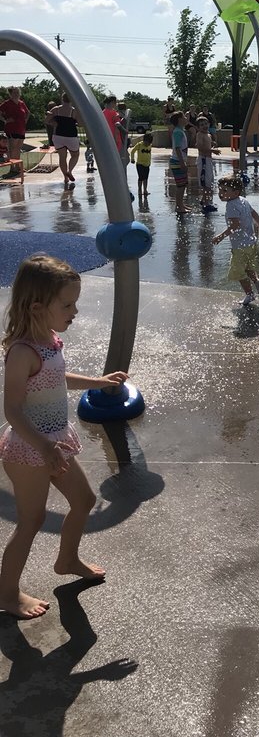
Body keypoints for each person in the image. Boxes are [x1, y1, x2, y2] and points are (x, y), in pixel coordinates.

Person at [0, 254, 128, 619]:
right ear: (38, 307)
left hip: (53, 443)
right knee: (31, 521)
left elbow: (57, 380)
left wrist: (98, 383)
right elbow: (12, 409)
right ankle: (6, 593)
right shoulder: (22, 352)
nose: (75, 311)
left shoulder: (51, 340)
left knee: (85, 500)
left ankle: (67, 559)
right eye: (68, 304)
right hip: (29, 449)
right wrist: (43, 445)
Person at [213, 175, 259, 305]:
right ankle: (257, 281)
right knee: (249, 267)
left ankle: (250, 294)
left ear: (236, 192)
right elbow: (254, 213)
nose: (221, 193)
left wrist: (220, 237)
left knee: (239, 272)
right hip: (251, 243)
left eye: (225, 191)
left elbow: (234, 226)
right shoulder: (243, 200)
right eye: (220, 190)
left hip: (240, 247)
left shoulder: (231, 206)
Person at [47, 93, 80, 190]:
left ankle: (65, 177)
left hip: (58, 136)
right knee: (75, 155)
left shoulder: (55, 109)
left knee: (62, 157)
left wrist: (54, 123)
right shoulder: (74, 111)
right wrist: (76, 122)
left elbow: (46, 120)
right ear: (71, 100)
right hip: (71, 136)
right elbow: (81, 123)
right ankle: (70, 171)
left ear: (62, 99)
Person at [0, 87, 30, 168]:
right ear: (10, 94)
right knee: (12, 149)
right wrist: (5, 120)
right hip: (11, 129)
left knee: (18, 149)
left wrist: (25, 121)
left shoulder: (21, 103)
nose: (16, 94)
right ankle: (12, 168)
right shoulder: (7, 103)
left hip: (21, 129)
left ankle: (17, 167)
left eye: (17, 92)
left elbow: (28, 113)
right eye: (14, 93)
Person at [194, 117, 217, 211]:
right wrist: (212, 150)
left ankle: (204, 199)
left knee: (209, 181)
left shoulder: (208, 134)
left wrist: (212, 143)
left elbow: (206, 144)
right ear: (198, 127)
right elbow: (199, 147)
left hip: (208, 160)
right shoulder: (199, 134)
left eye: (206, 124)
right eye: (202, 125)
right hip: (203, 160)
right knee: (206, 183)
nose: (205, 126)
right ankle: (206, 204)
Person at [169, 111, 190, 216]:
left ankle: (181, 204)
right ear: (179, 120)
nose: (186, 118)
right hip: (177, 161)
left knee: (183, 184)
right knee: (180, 185)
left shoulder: (180, 131)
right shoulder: (177, 132)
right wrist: (182, 163)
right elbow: (177, 148)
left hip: (180, 160)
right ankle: (178, 206)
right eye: (184, 117)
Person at [129, 131, 153, 200]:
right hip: (140, 164)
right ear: (144, 140)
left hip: (147, 164)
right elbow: (132, 151)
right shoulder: (139, 145)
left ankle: (145, 190)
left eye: (149, 143)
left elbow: (149, 154)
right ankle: (139, 189)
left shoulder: (149, 146)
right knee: (141, 177)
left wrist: (149, 162)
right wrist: (132, 159)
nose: (147, 144)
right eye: (146, 143)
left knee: (146, 178)